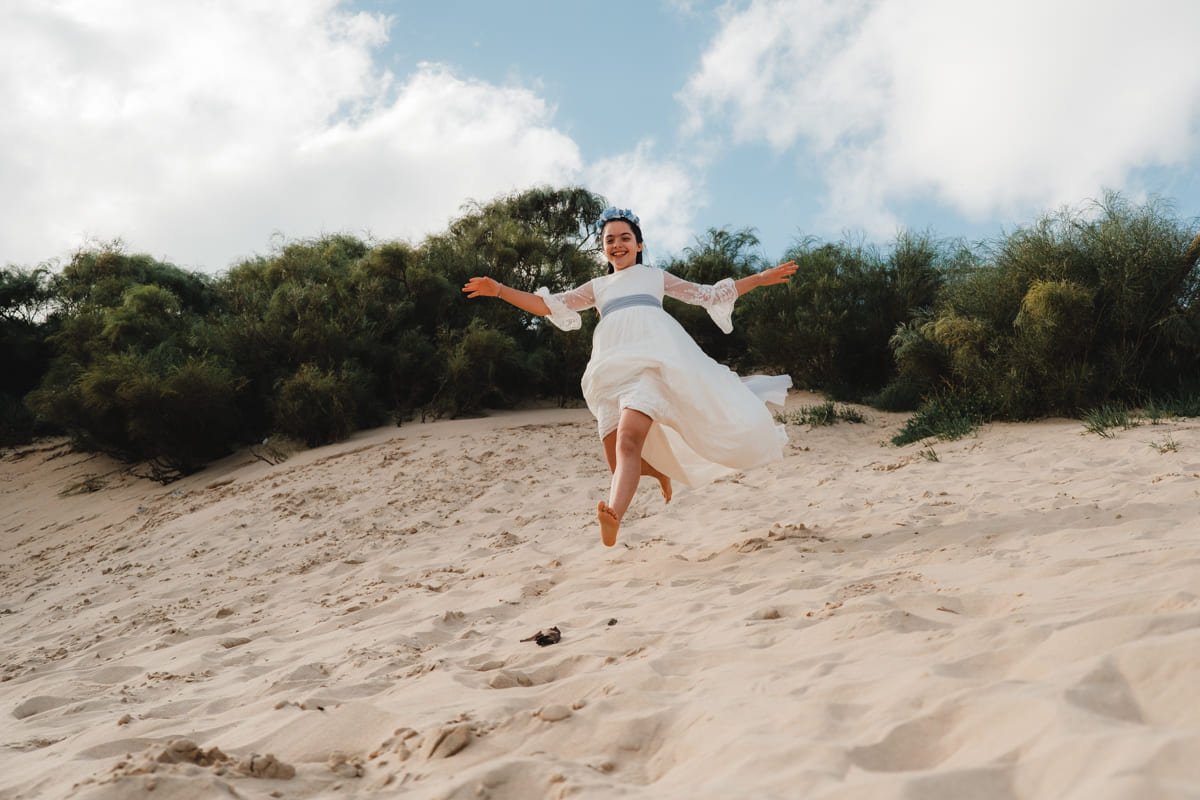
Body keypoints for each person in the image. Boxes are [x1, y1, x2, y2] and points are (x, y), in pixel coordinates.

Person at [462, 207, 797, 547]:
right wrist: (499, 289)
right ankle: (657, 472)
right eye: (610, 240)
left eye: (625, 238)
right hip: (609, 371)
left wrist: (759, 278)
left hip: (651, 364)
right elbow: (547, 305)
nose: (617, 244)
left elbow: (709, 295)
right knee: (616, 456)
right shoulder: (597, 287)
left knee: (628, 442)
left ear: (639, 244)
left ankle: (613, 516)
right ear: (603, 248)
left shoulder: (655, 276)